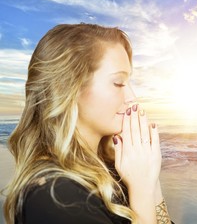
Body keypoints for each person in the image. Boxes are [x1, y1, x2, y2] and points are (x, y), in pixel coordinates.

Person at [3, 23, 173, 224]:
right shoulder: (55, 197)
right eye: (118, 83)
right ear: (68, 88)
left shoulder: (115, 172)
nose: (132, 97)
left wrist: (150, 181)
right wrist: (142, 189)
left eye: (129, 83)